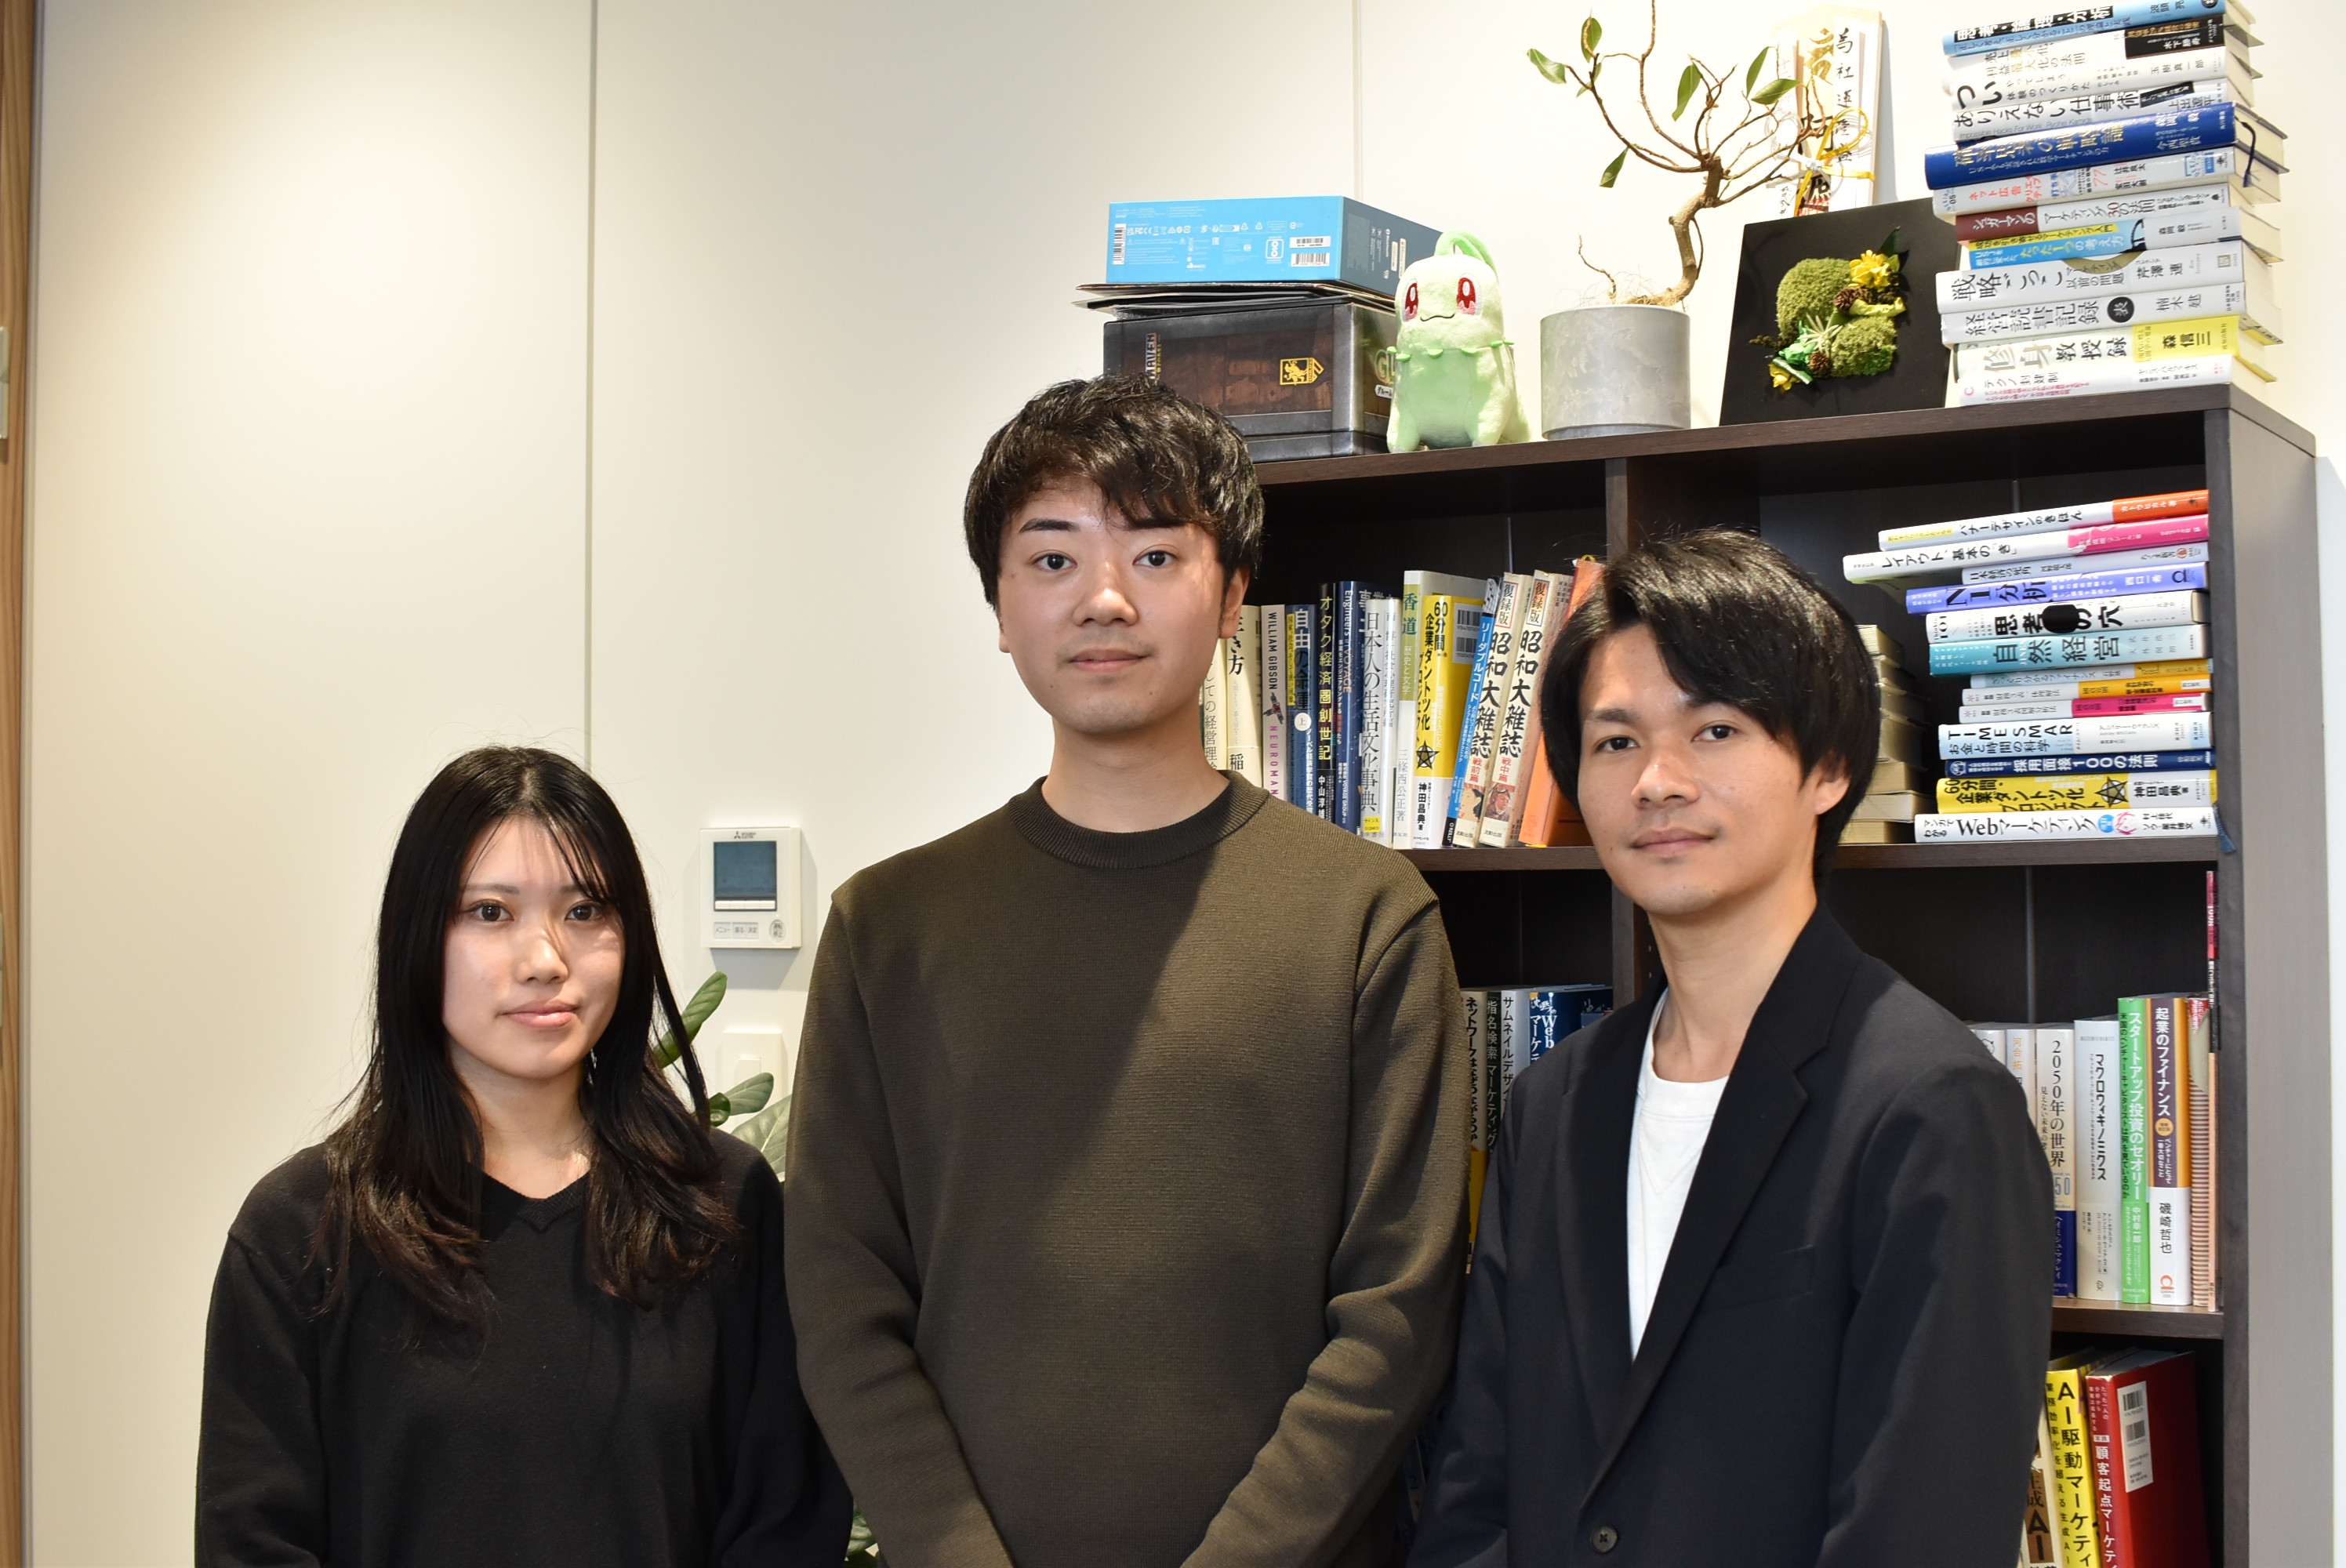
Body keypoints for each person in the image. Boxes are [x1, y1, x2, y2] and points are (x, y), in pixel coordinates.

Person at [785, 376, 1468, 1568]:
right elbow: (843, 1300)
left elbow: (1397, 1313)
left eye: (1155, 555)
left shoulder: (1366, 917)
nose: (1103, 598)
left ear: (1233, 595)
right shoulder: (887, 928)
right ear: (1000, 608)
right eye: (1052, 560)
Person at [1409, 532, 2054, 1567]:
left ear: (1827, 768)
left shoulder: (1931, 1105)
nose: (1657, 781)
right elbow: (1478, 1488)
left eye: (1714, 730)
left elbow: (1918, 1532)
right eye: (1615, 742)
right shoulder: (1555, 1099)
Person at [196, 747, 850, 1567]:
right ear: (416, 936)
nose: (545, 960)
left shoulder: (721, 1202)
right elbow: (253, 1542)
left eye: (585, 910)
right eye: (490, 912)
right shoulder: (303, 1231)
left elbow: (784, 1518)